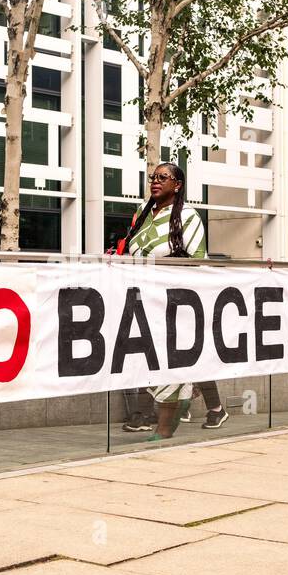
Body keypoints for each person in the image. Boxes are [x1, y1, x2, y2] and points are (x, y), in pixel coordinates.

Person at [115, 162, 222, 438]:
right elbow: (131, 251)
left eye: (163, 177)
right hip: (142, 299)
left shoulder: (188, 216)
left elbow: (198, 261)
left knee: (171, 361)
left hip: (174, 301)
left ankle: (161, 428)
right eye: (153, 177)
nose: (156, 181)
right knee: (147, 359)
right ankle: (153, 418)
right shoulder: (142, 211)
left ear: (177, 185)